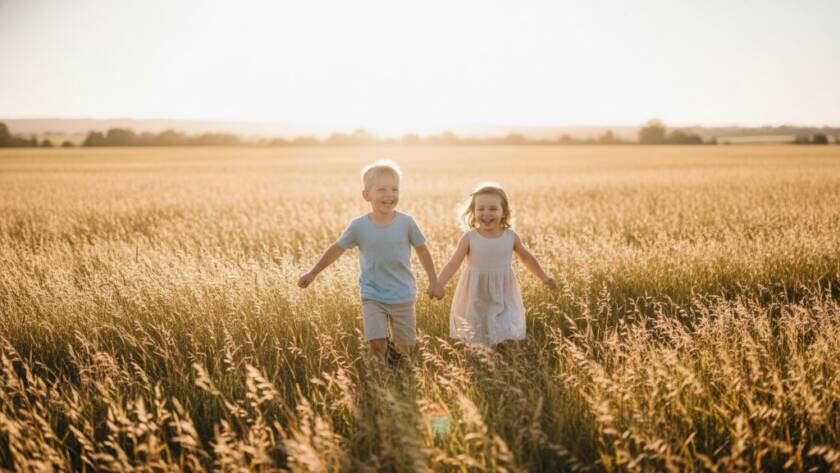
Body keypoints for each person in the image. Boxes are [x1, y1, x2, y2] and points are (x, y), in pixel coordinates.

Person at [298, 160, 438, 364]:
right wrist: (312, 273)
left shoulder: (407, 223)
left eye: (394, 189)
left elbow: (423, 250)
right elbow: (336, 249)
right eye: (381, 189)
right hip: (373, 295)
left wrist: (433, 280)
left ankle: (401, 375)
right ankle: (378, 386)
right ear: (367, 195)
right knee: (376, 344)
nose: (389, 194)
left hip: (403, 294)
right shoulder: (359, 226)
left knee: (405, 347)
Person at [433, 182, 557, 347]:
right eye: (481, 209)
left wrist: (545, 278)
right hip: (476, 292)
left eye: (492, 209)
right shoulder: (470, 237)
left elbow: (527, 258)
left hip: (503, 292)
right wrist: (439, 283)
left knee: (505, 331)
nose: (486, 214)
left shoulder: (510, 236)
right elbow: (453, 262)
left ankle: (502, 364)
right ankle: (476, 365)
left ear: (503, 211)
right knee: (476, 333)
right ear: (473, 211)